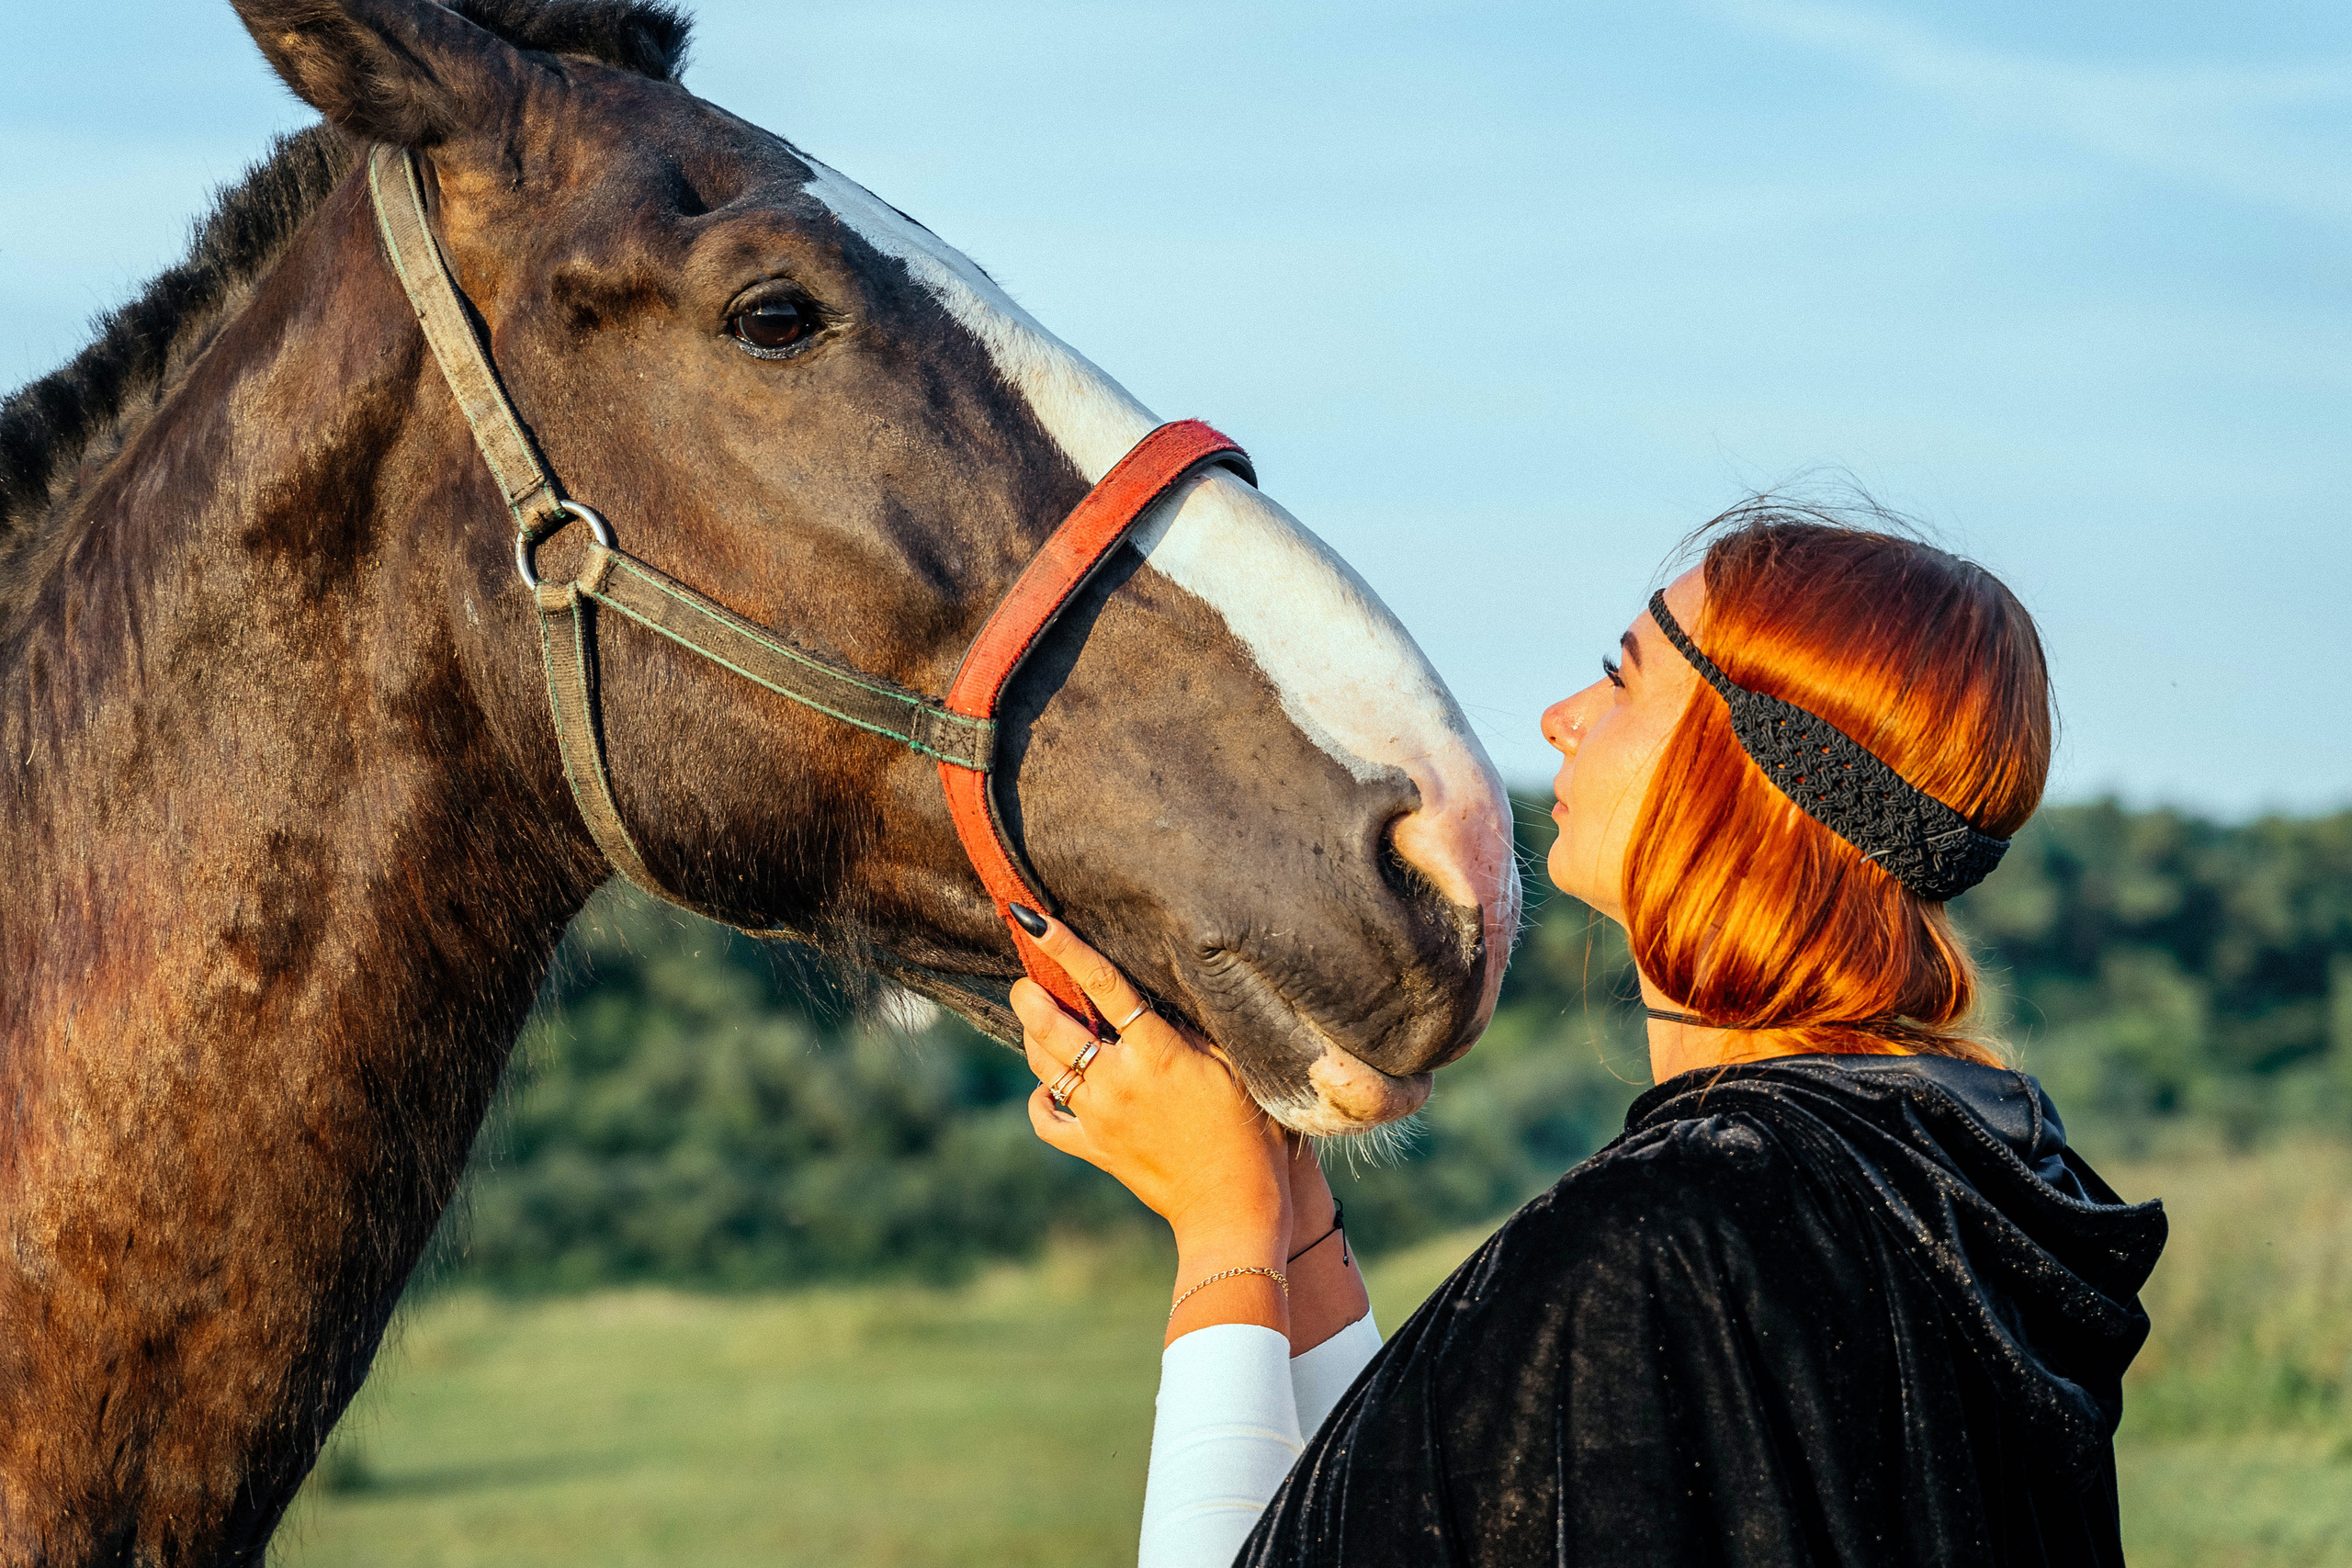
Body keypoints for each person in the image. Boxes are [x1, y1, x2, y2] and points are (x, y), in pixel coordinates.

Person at [1004, 508, 2167, 1568]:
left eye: (1623, 678)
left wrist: (1218, 1223)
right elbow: (1423, 1515)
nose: (1563, 718)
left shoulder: (1670, 1236)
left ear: (1738, 765)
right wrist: (1287, 1199)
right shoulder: (1974, 1178)